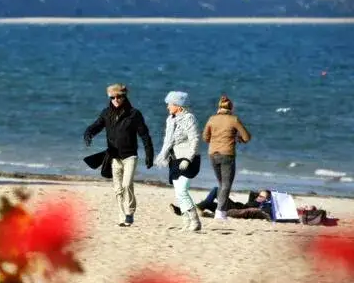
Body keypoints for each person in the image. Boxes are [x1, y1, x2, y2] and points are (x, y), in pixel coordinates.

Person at [84, 84, 154, 227]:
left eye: (119, 97)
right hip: (114, 157)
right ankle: (122, 217)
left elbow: (145, 135)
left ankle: (130, 212)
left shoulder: (134, 114)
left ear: (124, 96)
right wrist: (88, 133)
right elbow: (97, 125)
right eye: (112, 97)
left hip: (130, 156)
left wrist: (149, 154)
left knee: (127, 184)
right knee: (118, 189)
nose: (116, 99)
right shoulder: (106, 113)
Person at [154, 91, 202, 232]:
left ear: (178, 105)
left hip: (188, 160)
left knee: (182, 191)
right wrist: (164, 155)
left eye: (170, 104)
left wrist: (188, 158)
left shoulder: (189, 118)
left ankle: (195, 221)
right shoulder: (170, 119)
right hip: (174, 160)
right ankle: (186, 221)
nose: (168, 107)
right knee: (178, 192)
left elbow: (195, 140)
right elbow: (167, 141)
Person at [202, 95, 251, 220]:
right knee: (226, 185)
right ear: (231, 108)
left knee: (221, 184)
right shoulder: (234, 119)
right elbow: (247, 137)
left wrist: (216, 139)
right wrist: (238, 138)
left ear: (219, 107)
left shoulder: (212, 119)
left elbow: (205, 138)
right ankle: (220, 212)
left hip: (213, 154)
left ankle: (221, 211)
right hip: (227, 154)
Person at [170, 188, 273, 220]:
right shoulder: (256, 200)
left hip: (234, 208)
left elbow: (266, 211)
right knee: (208, 204)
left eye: (261, 196)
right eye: (259, 195)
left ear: (266, 200)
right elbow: (252, 192)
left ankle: (192, 209)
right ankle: (182, 211)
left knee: (216, 190)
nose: (258, 197)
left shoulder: (261, 206)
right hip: (234, 206)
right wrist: (261, 194)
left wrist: (268, 199)